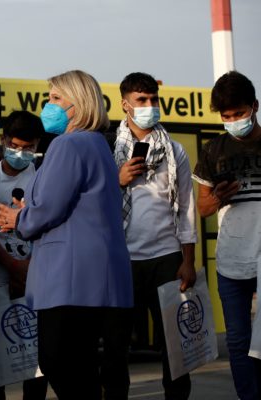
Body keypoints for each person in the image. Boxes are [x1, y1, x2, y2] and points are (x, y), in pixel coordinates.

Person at [0, 70, 133, 399]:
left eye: (56, 98)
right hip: (97, 276)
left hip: (69, 277)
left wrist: (19, 218)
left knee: (57, 361)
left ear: (78, 103)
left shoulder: (68, 144)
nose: (48, 105)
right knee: (82, 366)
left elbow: (49, 208)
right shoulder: (97, 143)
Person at [108, 72, 198, 399]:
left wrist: (188, 261)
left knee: (175, 346)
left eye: (153, 99)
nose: (149, 106)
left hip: (167, 259)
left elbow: (186, 207)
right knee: (115, 347)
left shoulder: (174, 151)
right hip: (122, 260)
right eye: (141, 100)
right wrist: (116, 179)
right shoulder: (108, 148)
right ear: (125, 104)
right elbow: (91, 202)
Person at [193, 70, 261, 400]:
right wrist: (219, 196)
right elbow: (203, 208)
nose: (233, 121)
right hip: (232, 260)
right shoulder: (213, 150)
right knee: (237, 339)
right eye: (227, 116)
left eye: (239, 113)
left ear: (255, 106)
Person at [0, 110, 47, 399]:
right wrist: (11, 265)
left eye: (28, 148)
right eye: (15, 146)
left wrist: (29, 266)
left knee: (35, 361)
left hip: (36, 280)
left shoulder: (44, 178)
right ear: (3, 139)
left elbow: (50, 224)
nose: (20, 153)